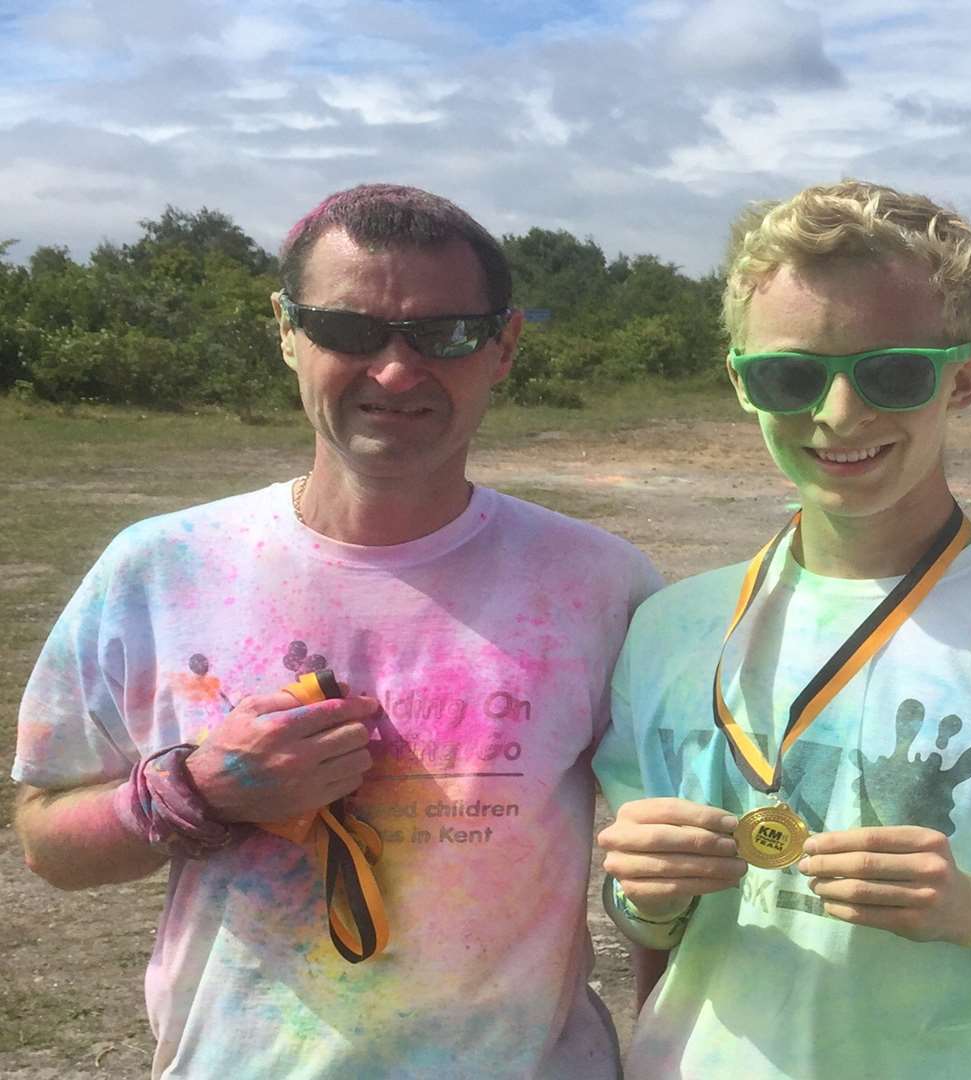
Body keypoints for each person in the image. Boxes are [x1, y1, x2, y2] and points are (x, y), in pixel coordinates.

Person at [12, 183, 661, 1077]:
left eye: (448, 334)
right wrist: (198, 793)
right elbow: (49, 843)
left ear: (504, 345)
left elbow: (663, 859)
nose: (396, 371)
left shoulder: (600, 585)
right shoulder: (158, 568)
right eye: (348, 331)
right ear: (285, 329)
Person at [592, 179, 971, 1079]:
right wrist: (642, 896)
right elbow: (651, 918)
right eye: (792, 375)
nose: (839, 414)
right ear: (740, 381)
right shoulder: (670, 629)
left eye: (894, 372)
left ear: (964, 379)